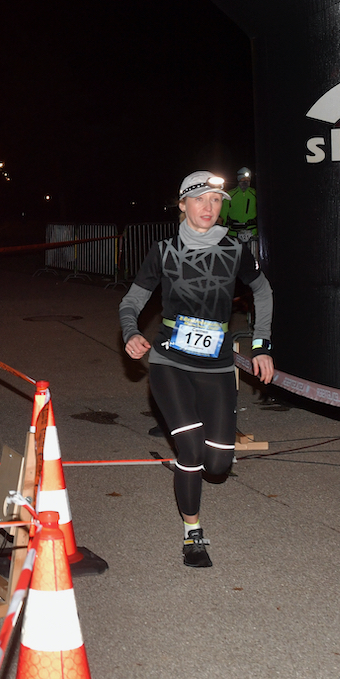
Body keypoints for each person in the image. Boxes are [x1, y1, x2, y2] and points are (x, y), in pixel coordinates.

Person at [119, 171, 274, 568]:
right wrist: (131, 332)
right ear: (183, 205)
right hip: (170, 361)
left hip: (218, 365)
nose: (209, 207)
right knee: (190, 449)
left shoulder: (237, 248)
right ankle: (193, 533)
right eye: (201, 199)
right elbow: (131, 301)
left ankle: (203, 469)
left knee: (219, 463)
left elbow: (262, 290)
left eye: (217, 200)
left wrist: (260, 344)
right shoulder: (163, 250)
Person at [220, 166, 259, 261]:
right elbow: (223, 214)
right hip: (234, 232)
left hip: (252, 231)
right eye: (242, 179)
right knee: (234, 259)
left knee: (253, 259)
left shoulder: (256, 194)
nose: (245, 182)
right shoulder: (229, 195)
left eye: (247, 180)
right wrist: (222, 229)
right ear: (238, 180)